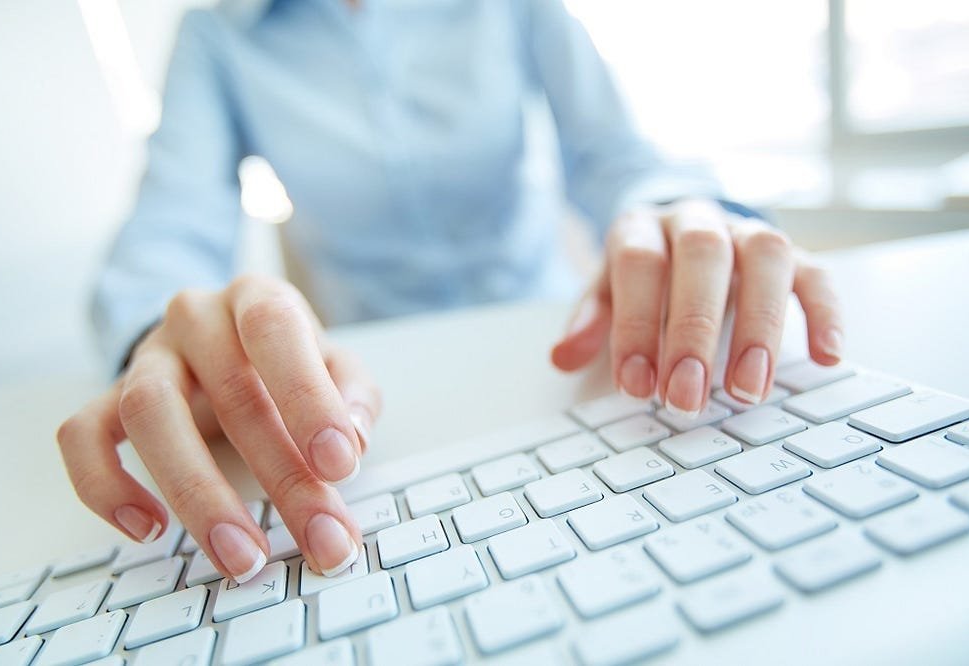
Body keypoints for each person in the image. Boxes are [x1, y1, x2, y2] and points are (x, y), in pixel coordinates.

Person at [57, 0, 842, 584]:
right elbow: (170, 229)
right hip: (380, 407)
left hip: (557, 365)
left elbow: (612, 154)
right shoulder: (219, 34)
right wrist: (155, 342)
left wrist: (679, 212)